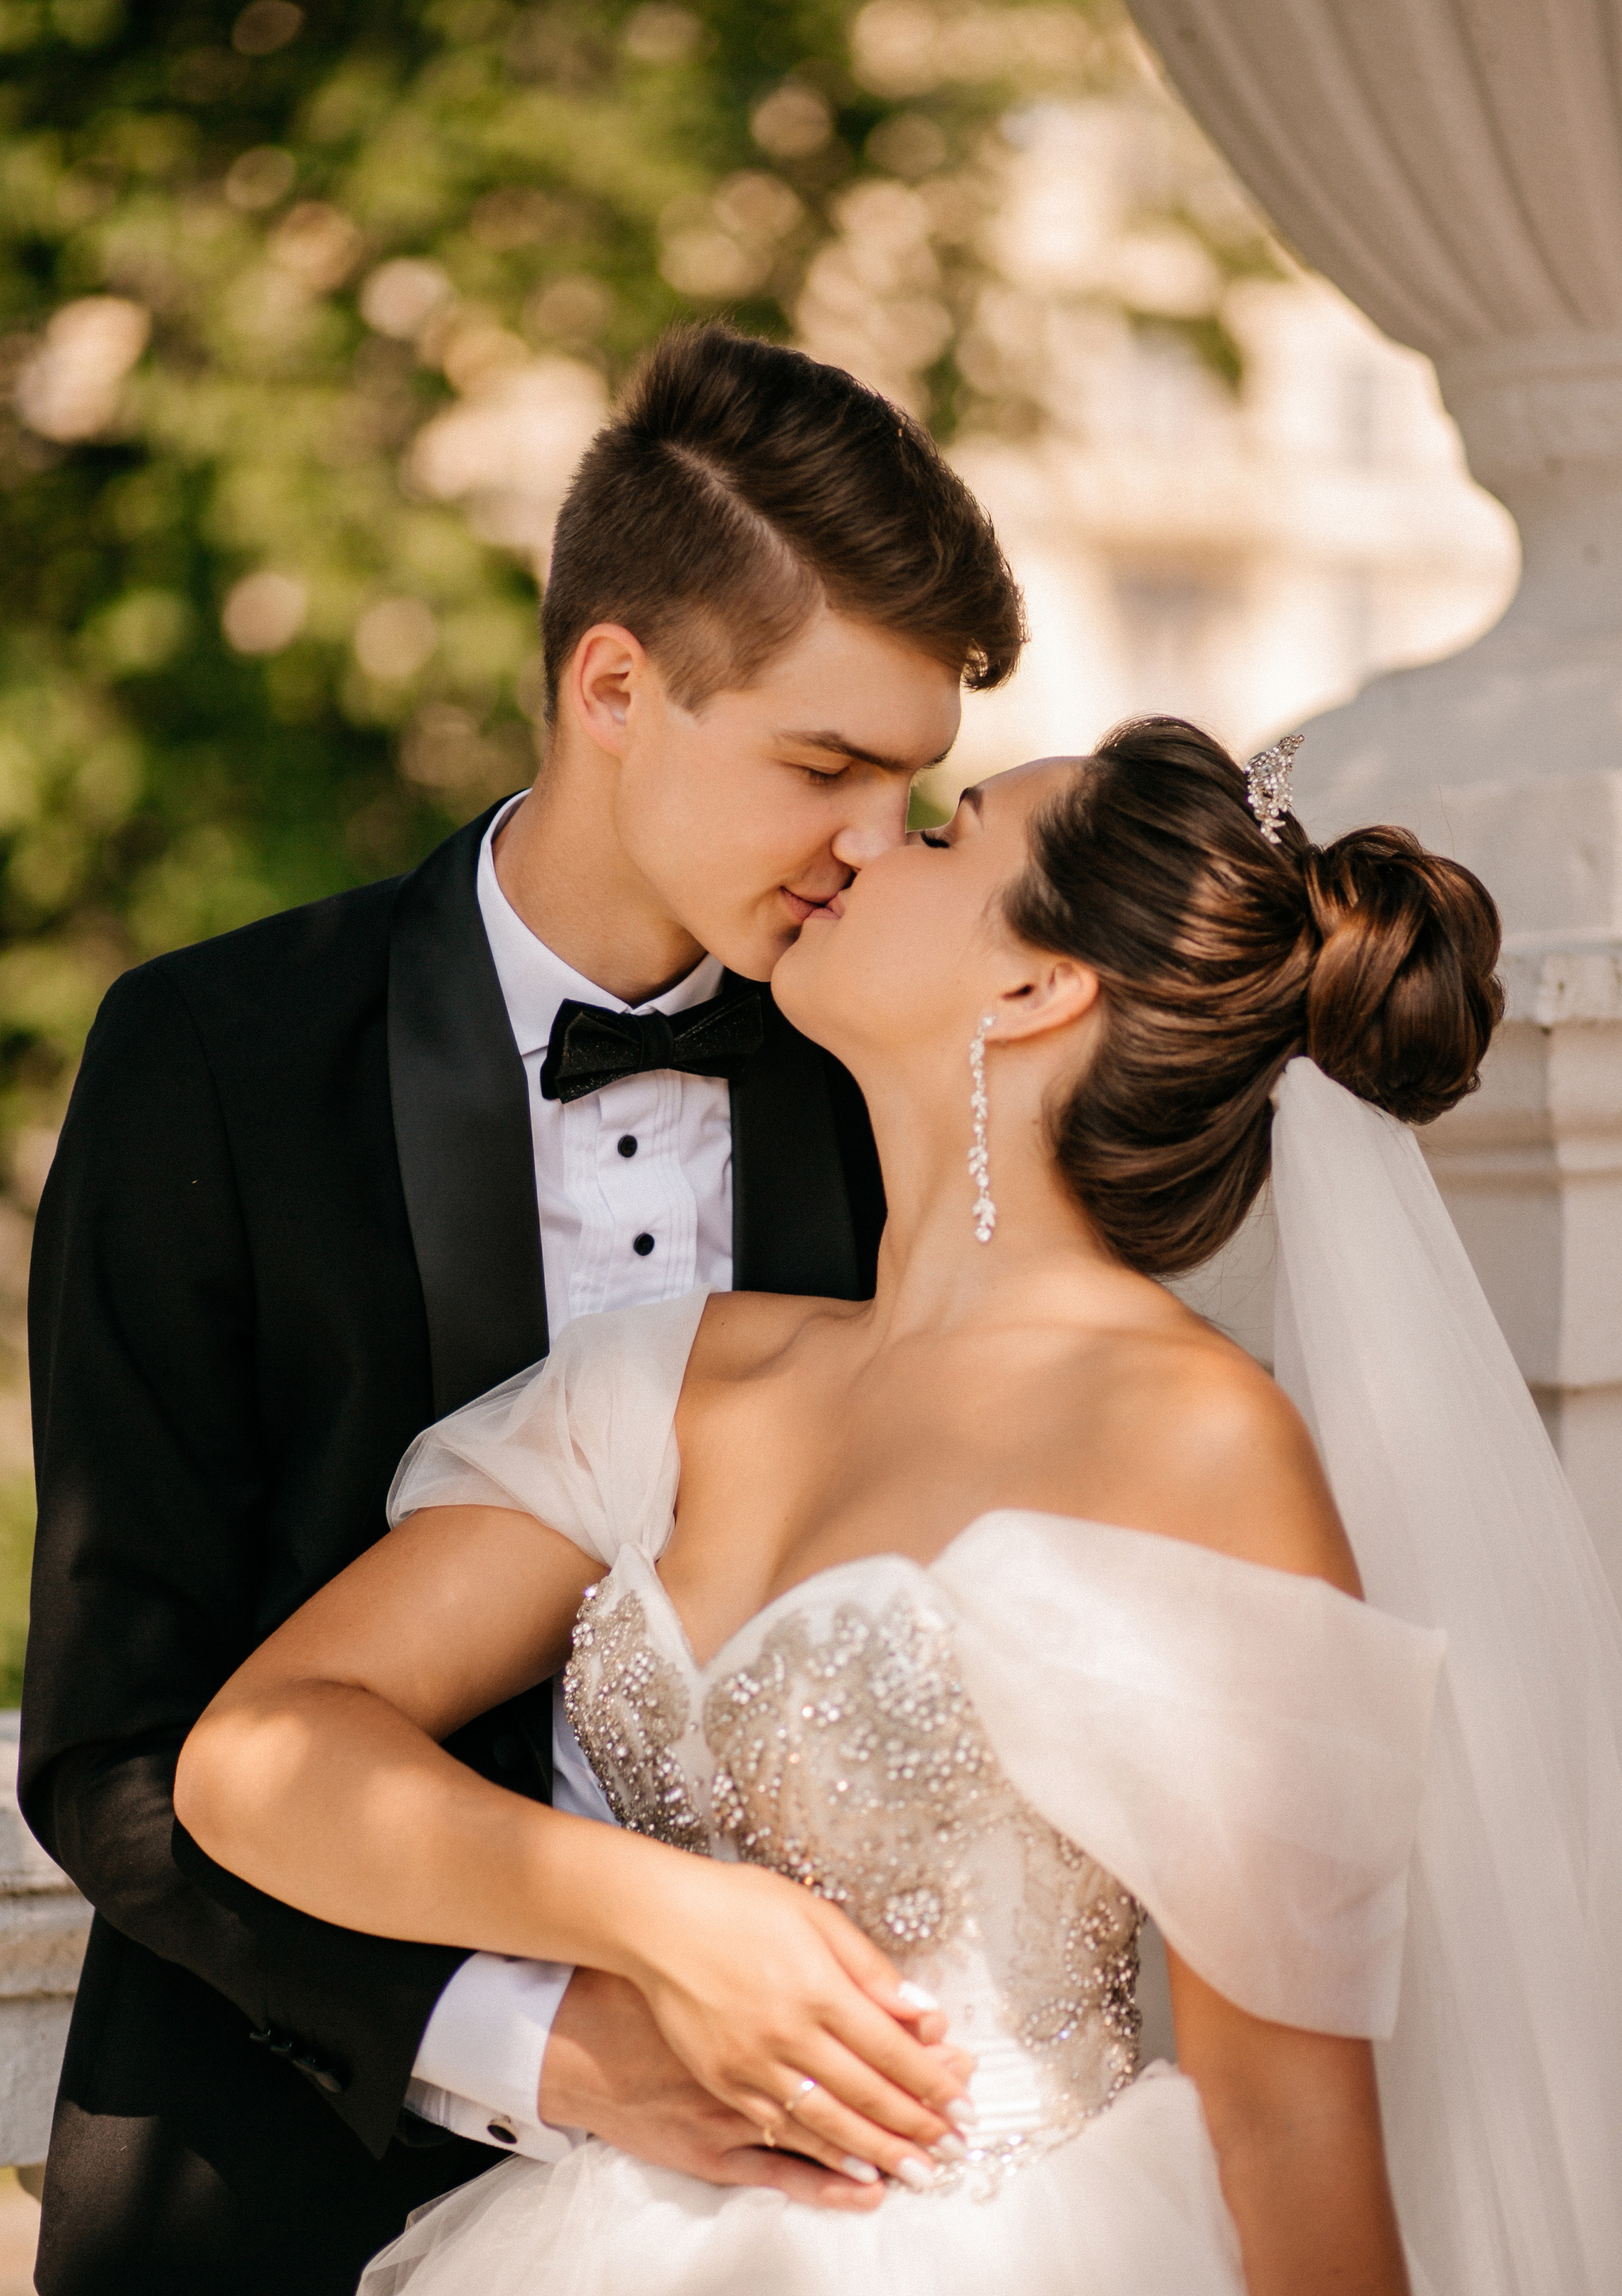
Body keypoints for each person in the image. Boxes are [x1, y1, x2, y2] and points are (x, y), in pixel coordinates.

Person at [172, 719, 1622, 2296]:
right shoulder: (672, 1381)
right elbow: (258, 1757)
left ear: (1035, 987)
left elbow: (1285, 2133)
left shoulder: (1193, 1442)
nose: (866, 842)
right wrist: (659, 1918)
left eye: (944, 832)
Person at [18, 322, 1028, 2296]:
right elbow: (114, 1746)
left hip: (814, 2218)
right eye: (822, 765)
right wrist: (553, 2044)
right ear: (614, 686)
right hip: (278, 2194)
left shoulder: (907, 1088)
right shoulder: (214, 1057)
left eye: (910, 783)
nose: (871, 842)